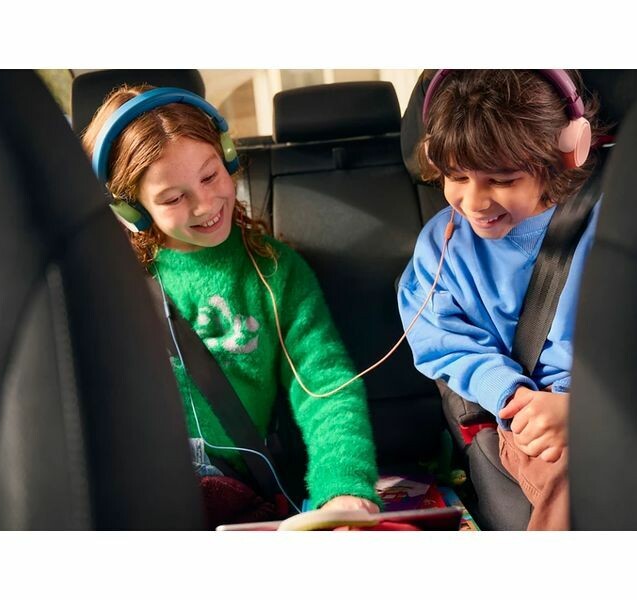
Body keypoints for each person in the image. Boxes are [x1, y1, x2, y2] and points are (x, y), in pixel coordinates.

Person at [81, 84, 381, 521]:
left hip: (238, 498)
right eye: (173, 198)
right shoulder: (108, 285)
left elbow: (324, 386)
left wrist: (343, 487)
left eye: (209, 176)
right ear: (131, 210)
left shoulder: (274, 272)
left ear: (227, 157)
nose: (205, 205)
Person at [397, 70, 605, 530]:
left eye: (502, 179)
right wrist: (512, 395)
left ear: (564, 154)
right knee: (577, 477)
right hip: (528, 410)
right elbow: (444, 341)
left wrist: (588, 407)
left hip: (614, 397)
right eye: (457, 176)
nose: (474, 202)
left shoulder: (612, 224)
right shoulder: (442, 248)